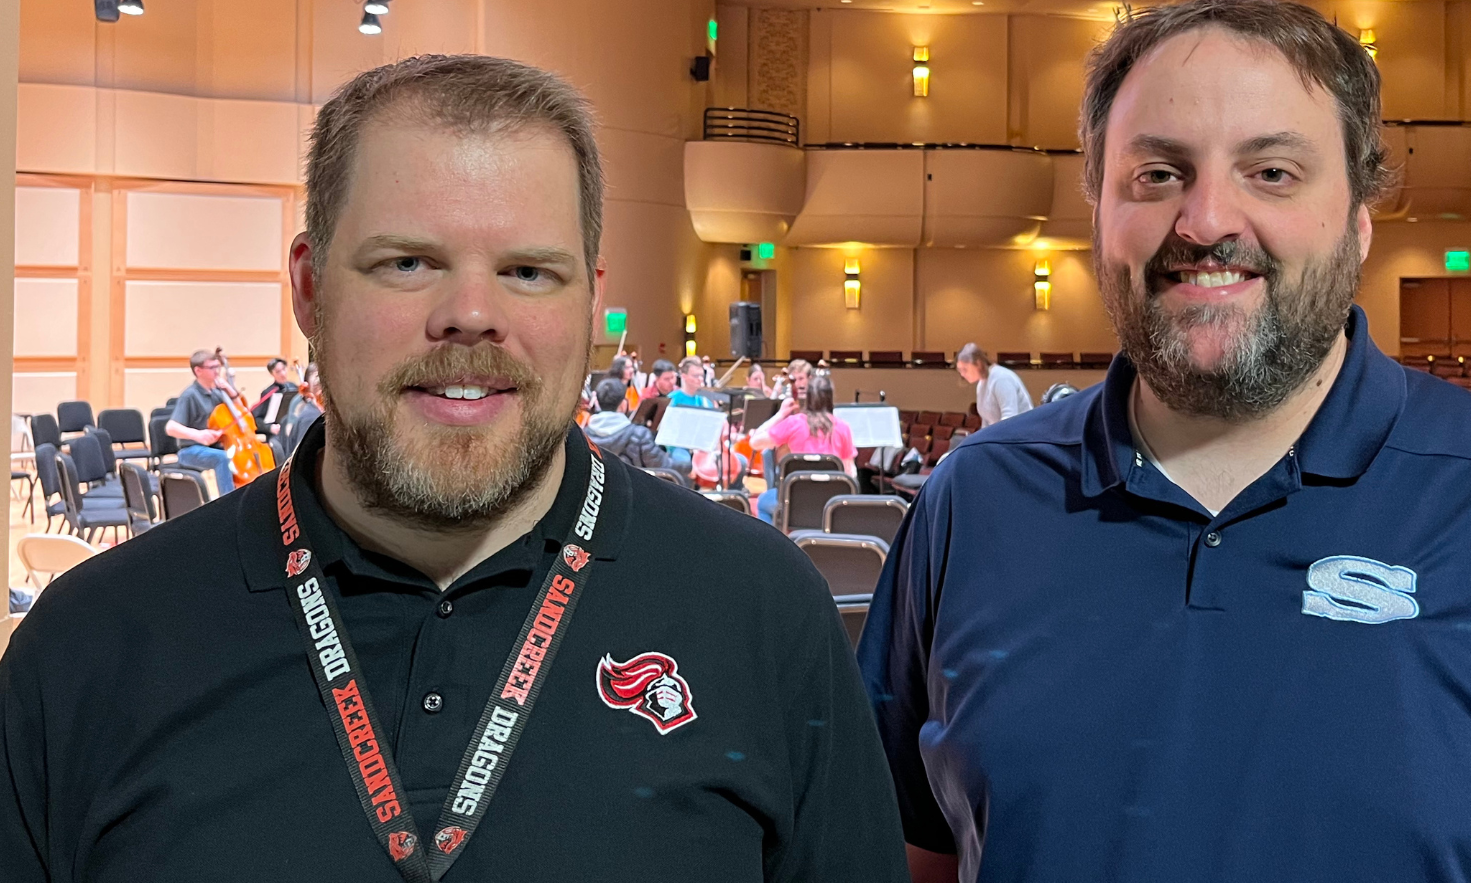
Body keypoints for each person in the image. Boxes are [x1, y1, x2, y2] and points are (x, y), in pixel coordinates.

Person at [1, 54, 909, 882]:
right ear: (311, 288)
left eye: (526, 271)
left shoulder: (763, 615)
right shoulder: (87, 649)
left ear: (592, 299)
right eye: (408, 262)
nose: (471, 314)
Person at [858, 0, 1471, 883]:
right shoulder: (972, 502)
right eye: (1157, 174)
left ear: (1360, 220)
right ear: (1098, 210)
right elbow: (915, 851)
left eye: (1274, 173)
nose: (1207, 220)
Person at [748, 373, 855, 525]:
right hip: (833, 507)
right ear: (830, 398)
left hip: (794, 505)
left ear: (808, 397)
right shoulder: (843, 428)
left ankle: (769, 545)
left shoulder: (794, 423)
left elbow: (754, 442)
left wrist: (780, 414)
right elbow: (850, 473)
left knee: (763, 502)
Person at [163, 348, 237, 496]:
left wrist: (230, 389)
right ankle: (228, 499)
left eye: (218, 366)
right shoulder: (189, 395)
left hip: (214, 446)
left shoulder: (217, 392)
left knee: (237, 454)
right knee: (222, 458)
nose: (217, 371)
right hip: (190, 450)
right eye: (212, 367)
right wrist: (198, 435)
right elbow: (171, 428)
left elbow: (239, 411)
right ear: (198, 371)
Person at [584, 377, 689, 481]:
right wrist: (690, 467)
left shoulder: (584, 434)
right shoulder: (639, 435)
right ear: (623, 405)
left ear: (597, 402)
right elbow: (664, 466)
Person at [954, 344, 1032, 426]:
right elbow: (986, 422)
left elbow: (1009, 418)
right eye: (960, 370)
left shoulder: (1001, 378)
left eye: (965, 369)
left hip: (1021, 433)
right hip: (1002, 434)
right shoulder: (981, 384)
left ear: (978, 364)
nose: (962, 374)